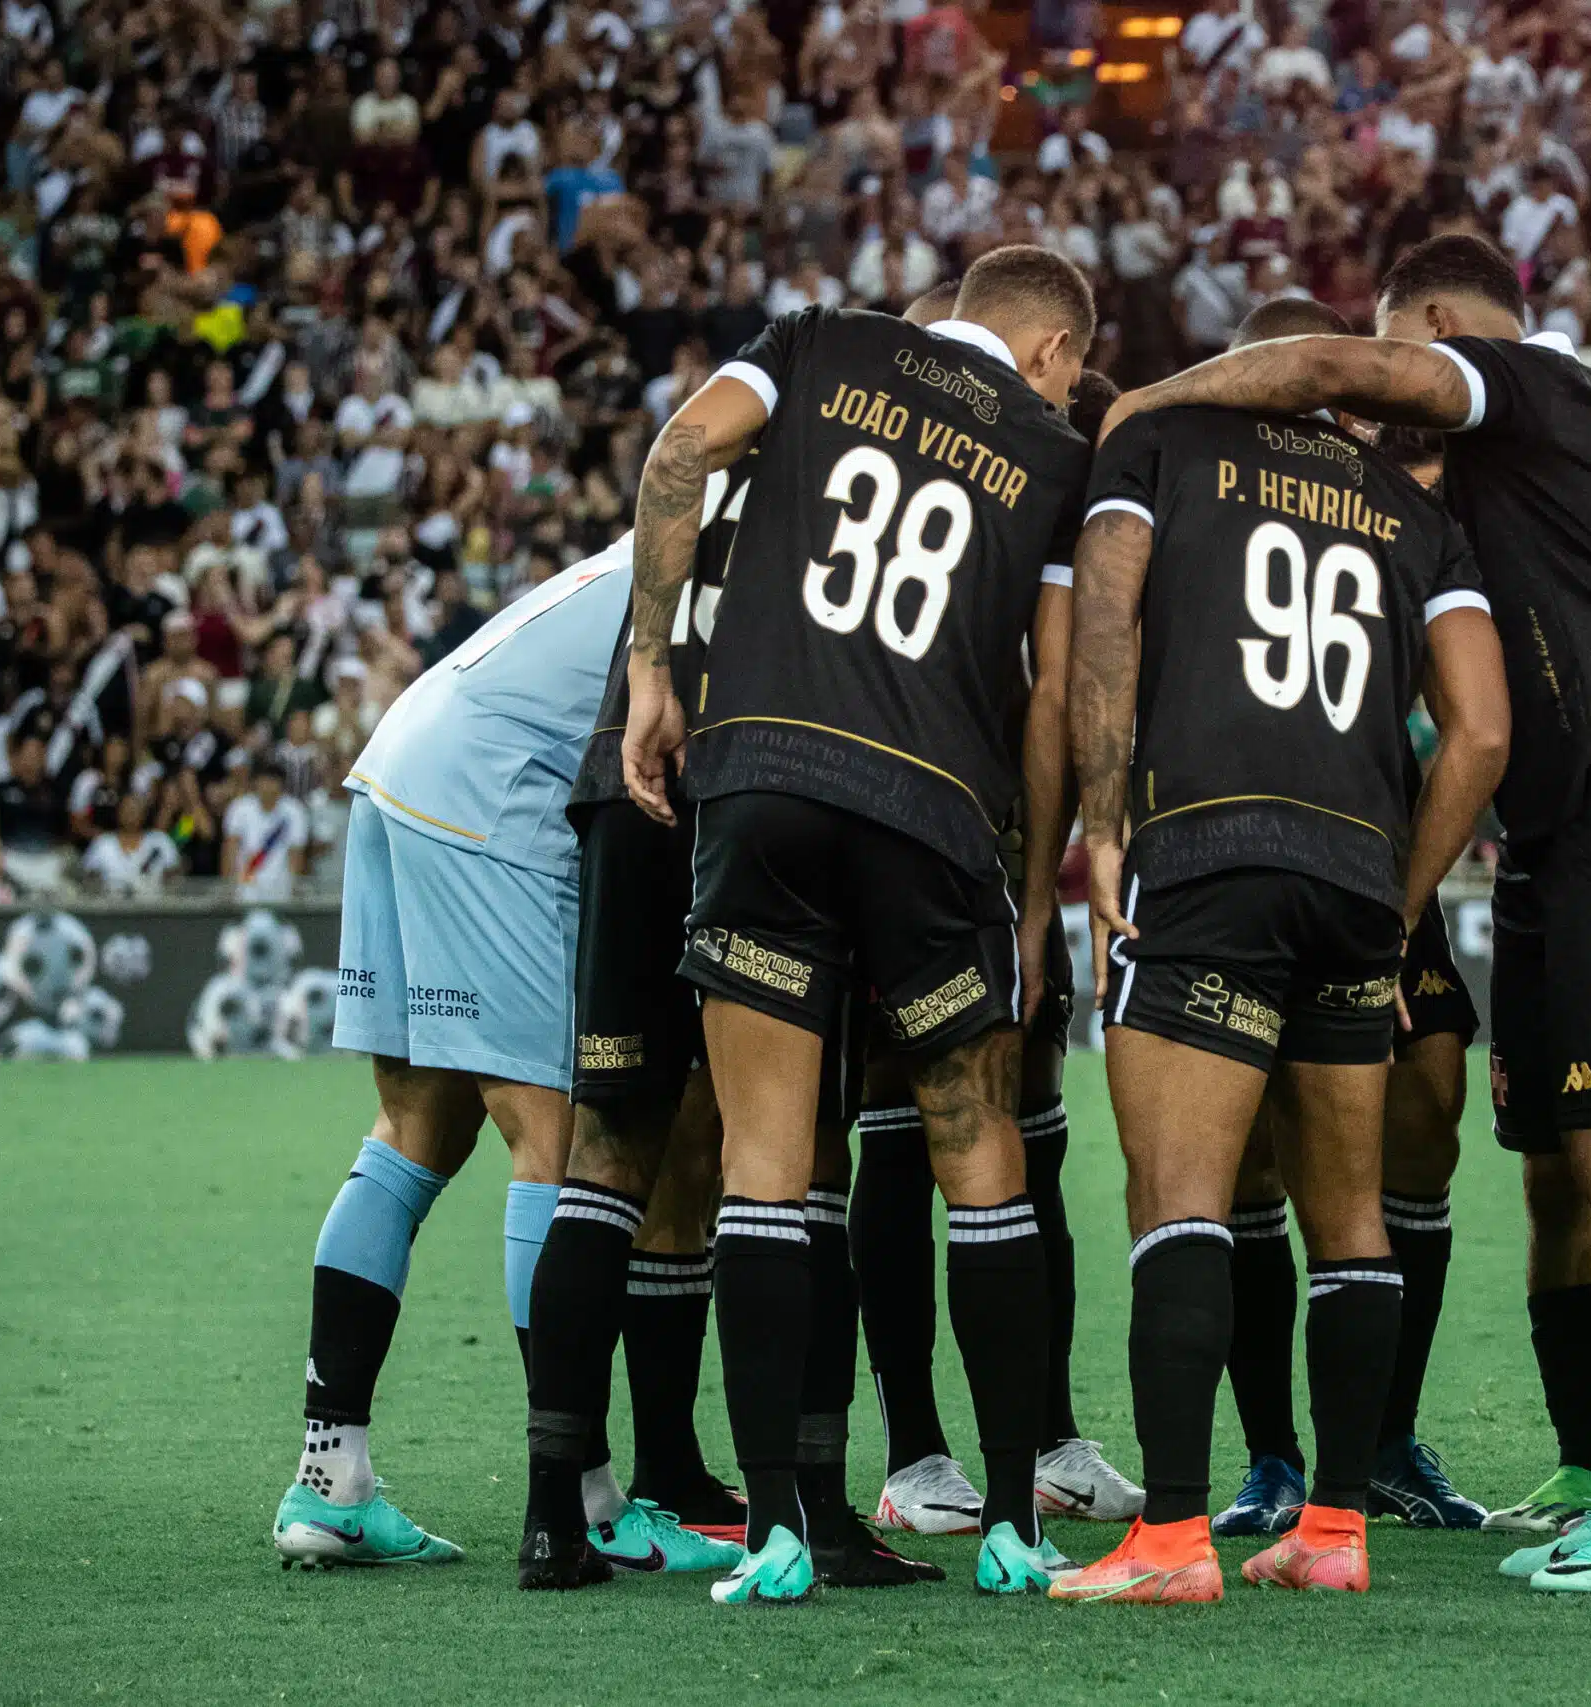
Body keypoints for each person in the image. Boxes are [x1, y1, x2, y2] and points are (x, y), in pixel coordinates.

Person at [1096, 233, 1591, 1596]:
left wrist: (1146, 408)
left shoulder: (1519, 382)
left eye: (1406, 359)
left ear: (1435, 325)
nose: (1387, 412)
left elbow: (1317, 364)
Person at [618, 246, 1096, 1605]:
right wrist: (1034, 882)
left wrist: (654, 665)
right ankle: (1010, 1518)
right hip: (933, 810)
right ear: (1055, 351)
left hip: (764, 770)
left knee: (766, 1161)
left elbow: (677, 454)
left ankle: (776, 1527)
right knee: (977, 1149)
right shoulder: (1053, 456)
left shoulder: (822, 339)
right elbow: (1052, 694)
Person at [1045, 297, 1508, 1603]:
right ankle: (1336, 1527)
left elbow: (1106, 619)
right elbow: (1479, 730)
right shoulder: (1414, 510)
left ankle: (1175, 1539)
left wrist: (1101, 826)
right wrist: (1401, 896)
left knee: (1181, 1196)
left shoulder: (1159, 440)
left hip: (1207, 849)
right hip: (1355, 876)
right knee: (1349, 1212)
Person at [518, 436, 938, 1593]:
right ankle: (811, 1510)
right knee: (799, 1159)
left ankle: (556, 1516)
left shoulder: (714, 464)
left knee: (607, 1151)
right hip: (765, 791)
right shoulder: (868, 482)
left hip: (624, 781)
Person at [273, 539, 639, 1571]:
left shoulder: (663, 516)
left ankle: (329, 1483)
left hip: (401, 762)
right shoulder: (745, 539)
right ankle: (581, 1491)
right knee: (554, 1138)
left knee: (414, 1132)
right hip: (489, 788)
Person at [848, 313, 1143, 1542]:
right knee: (900, 1137)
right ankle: (915, 1449)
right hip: (903, 829)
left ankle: (1050, 1436)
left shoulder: (1058, 477)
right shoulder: (960, 456)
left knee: (1031, 1149)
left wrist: (1041, 888)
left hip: (1007, 850)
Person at [1211, 426, 1492, 1541]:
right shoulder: (1213, 491)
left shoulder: (1409, 515)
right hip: (1235, 838)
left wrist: (1409, 899)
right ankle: (1273, 1456)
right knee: (1244, 1155)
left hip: (1375, 848)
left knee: (1424, 1117)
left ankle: (1381, 1442)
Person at [221, 760, 311, 901]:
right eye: (264, 780)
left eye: (273, 781)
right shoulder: (239, 808)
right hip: (245, 888)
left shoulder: (295, 811)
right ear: (256, 782)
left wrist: (293, 889)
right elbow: (230, 849)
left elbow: (296, 855)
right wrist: (228, 887)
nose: (268, 786)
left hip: (280, 890)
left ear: (281, 784)